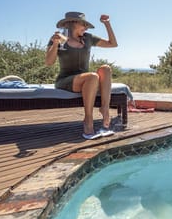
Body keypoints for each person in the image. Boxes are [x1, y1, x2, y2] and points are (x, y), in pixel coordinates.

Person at [45, 11, 118, 140]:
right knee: (92, 76)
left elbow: (113, 44)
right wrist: (55, 44)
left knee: (105, 69)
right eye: (83, 24)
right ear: (72, 24)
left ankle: (105, 110)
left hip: (87, 80)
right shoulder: (59, 38)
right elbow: (49, 63)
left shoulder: (88, 38)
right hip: (66, 81)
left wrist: (107, 24)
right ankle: (88, 121)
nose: (85, 27)